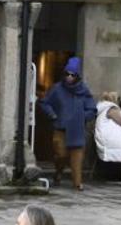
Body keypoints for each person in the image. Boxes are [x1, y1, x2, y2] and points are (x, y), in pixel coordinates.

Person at [38, 56, 96, 192]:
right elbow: (44, 102)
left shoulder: (84, 91)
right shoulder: (57, 89)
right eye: (67, 74)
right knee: (61, 154)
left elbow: (92, 108)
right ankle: (58, 172)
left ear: (77, 76)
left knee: (77, 157)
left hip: (77, 129)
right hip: (61, 128)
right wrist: (52, 115)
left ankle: (77, 183)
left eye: (72, 75)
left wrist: (83, 117)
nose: (69, 77)